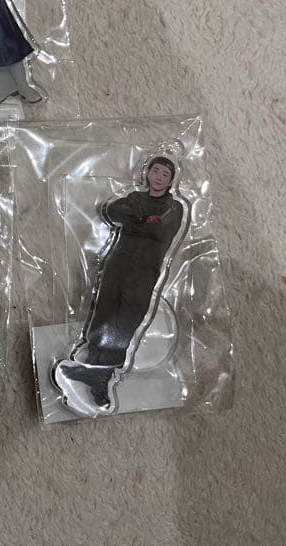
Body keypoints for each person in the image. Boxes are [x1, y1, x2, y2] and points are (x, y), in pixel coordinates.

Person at [53, 157, 186, 412]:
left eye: (165, 174)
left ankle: (102, 376)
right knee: (103, 311)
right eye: (155, 171)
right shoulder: (135, 197)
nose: (158, 177)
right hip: (117, 263)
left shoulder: (174, 207)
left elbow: (161, 232)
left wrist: (135, 220)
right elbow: (113, 211)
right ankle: (89, 365)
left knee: (125, 321)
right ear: (147, 173)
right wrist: (144, 219)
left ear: (171, 181)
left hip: (144, 271)